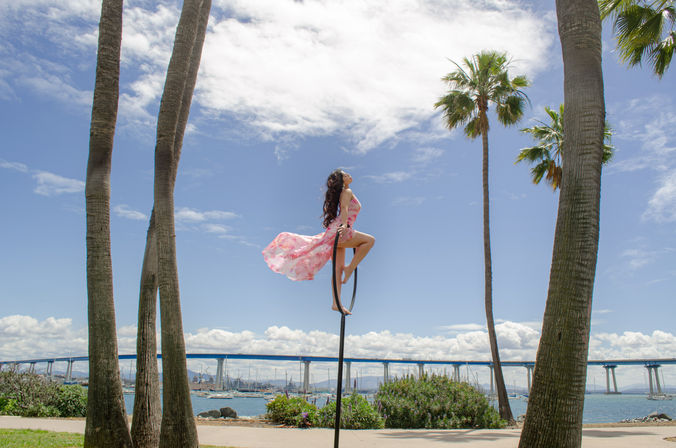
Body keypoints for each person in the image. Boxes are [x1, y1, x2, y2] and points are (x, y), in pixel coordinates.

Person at [262, 169, 375, 314]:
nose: (348, 175)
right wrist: (345, 225)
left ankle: (336, 303)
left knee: (337, 269)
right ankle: (350, 268)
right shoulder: (347, 192)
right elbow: (345, 209)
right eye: (344, 175)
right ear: (341, 180)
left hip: (336, 230)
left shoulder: (345, 192)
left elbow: (343, 209)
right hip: (341, 229)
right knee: (369, 241)